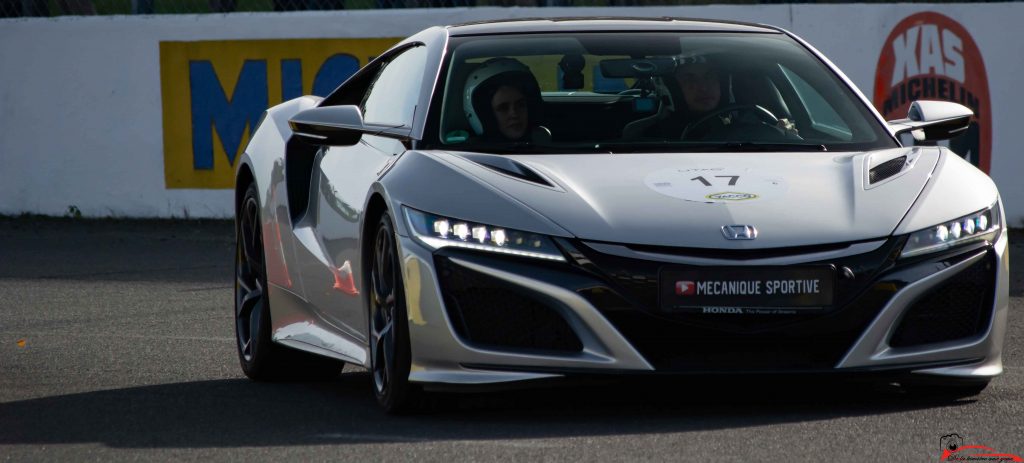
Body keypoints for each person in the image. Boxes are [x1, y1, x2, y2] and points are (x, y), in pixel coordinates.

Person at [463, 58, 544, 142]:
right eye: (503, 108)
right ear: (487, 115)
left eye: (520, 105)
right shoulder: (473, 153)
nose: (514, 114)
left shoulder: (545, 144)